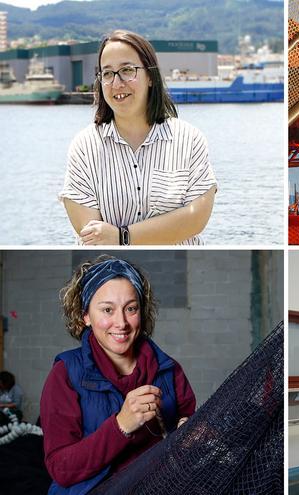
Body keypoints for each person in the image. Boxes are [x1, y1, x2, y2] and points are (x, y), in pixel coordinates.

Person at [40, 255, 196, 493]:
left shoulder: (169, 370)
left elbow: (185, 440)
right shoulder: (65, 374)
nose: (121, 322)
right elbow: (61, 469)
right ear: (85, 316)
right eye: (107, 310)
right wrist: (121, 425)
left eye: (130, 308)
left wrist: (193, 437)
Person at [60, 30, 218, 246]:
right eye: (107, 74)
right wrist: (168, 226)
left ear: (151, 77)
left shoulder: (189, 139)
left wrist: (122, 236)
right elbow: (93, 235)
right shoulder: (84, 147)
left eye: (127, 70)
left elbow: (196, 218)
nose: (117, 83)